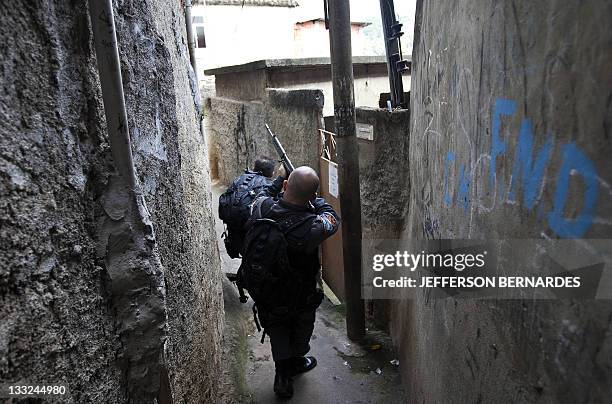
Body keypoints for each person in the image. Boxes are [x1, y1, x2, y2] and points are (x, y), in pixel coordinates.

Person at [245, 166, 340, 398]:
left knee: (276, 328)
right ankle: (295, 362)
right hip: (299, 294)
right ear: (311, 197)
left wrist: (279, 180)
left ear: (286, 186)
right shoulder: (313, 227)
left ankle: (282, 374)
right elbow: (332, 218)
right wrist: (316, 201)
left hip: (266, 289)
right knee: (300, 329)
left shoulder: (261, 207)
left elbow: (263, 193)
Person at [218, 156, 277, 259]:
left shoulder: (240, 179)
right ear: (271, 173)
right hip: (250, 233)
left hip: (234, 231)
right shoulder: (267, 185)